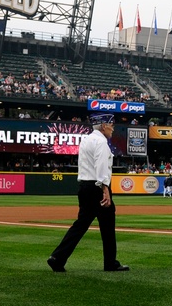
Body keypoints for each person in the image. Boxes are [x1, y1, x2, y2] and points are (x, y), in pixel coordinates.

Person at [47, 112, 128, 273]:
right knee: (107, 226)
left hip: (84, 187)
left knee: (80, 225)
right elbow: (101, 166)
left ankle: (57, 258)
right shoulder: (101, 142)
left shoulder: (86, 140)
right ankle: (110, 263)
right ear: (104, 126)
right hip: (97, 187)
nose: (113, 128)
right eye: (111, 125)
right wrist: (105, 188)